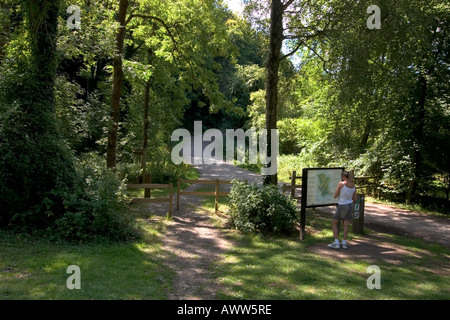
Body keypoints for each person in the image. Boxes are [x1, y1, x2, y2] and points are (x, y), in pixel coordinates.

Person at [328, 170, 357, 249]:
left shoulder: (341, 184)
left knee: (334, 222)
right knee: (346, 224)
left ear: (344, 177)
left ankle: (336, 242)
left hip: (342, 205)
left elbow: (335, 195)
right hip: (349, 205)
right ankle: (344, 242)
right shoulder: (353, 185)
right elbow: (355, 198)